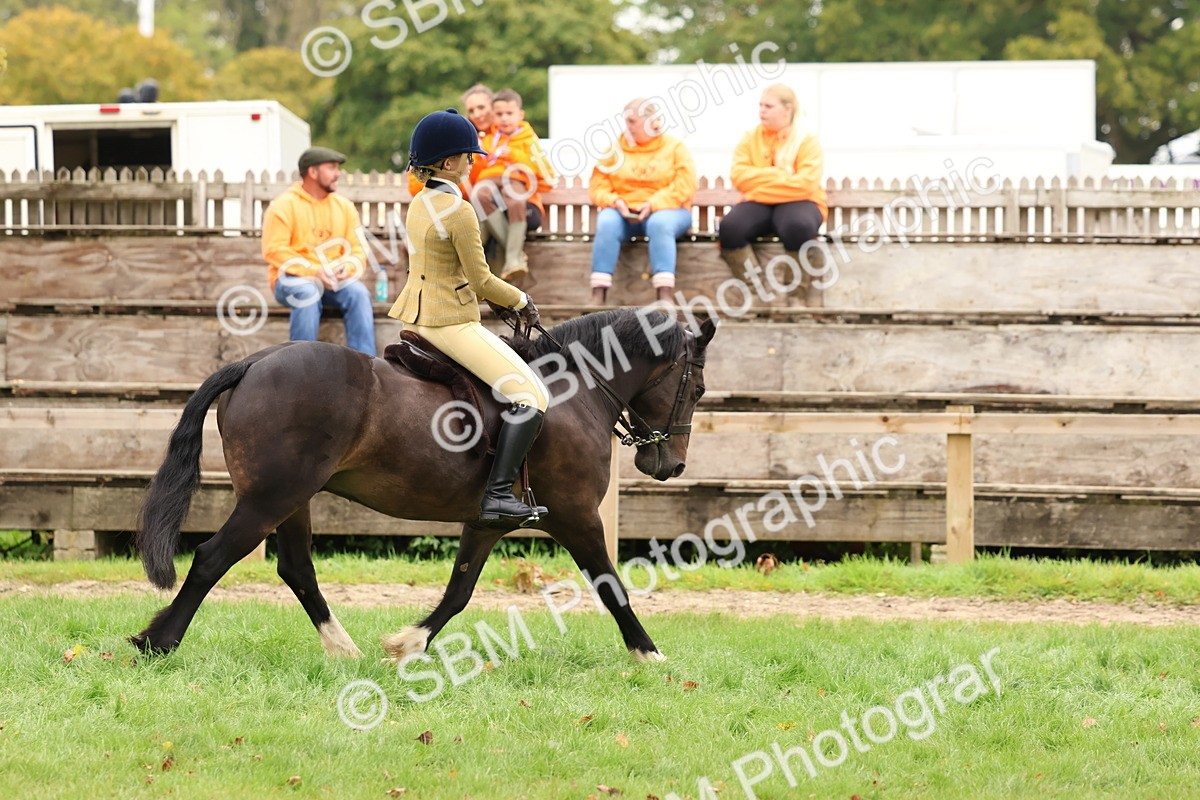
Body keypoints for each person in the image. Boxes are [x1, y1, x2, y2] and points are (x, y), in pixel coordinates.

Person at [389, 108, 551, 529]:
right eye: (466, 155)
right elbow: (480, 279)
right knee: (532, 397)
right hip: (450, 322)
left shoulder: (419, 202)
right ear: (447, 163)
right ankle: (497, 496)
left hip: (418, 314)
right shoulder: (459, 211)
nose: (473, 161)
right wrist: (519, 300)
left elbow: (446, 268)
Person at [718, 84, 828, 307]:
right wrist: (779, 174)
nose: (762, 111)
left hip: (800, 201)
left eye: (768, 106)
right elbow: (739, 177)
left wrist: (758, 186)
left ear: (787, 109)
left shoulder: (806, 140)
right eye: (760, 105)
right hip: (760, 203)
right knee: (730, 228)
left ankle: (795, 298)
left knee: (797, 226)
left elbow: (805, 184)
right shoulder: (750, 138)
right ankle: (757, 296)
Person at [262, 146, 377, 355]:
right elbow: (274, 250)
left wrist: (348, 267)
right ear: (313, 172)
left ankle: (366, 367)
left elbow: (358, 248)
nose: (338, 173)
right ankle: (299, 366)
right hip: (291, 279)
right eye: (332, 168)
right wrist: (315, 271)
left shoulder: (344, 206)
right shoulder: (283, 206)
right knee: (308, 292)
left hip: (333, 280)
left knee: (359, 293)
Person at [588, 98, 696, 305]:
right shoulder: (614, 149)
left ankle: (664, 296)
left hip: (668, 210)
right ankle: (598, 295)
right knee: (607, 222)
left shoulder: (675, 147)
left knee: (659, 223)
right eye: (626, 121)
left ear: (651, 121)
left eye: (632, 121)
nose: (627, 127)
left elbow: (685, 185)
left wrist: (653, 204)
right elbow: (598, 186)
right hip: (624, 212)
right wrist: (615, 201)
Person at [472, 88, 558, 282]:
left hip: (516, 178)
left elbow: (544, 170)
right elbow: (479, 166)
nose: (504, 119)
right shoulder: (488, 138)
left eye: (509, 114)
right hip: (491, 179)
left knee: (516, 200)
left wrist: (513, 155)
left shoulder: (528, 139)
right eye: (499, 114)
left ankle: (512, 259)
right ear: (493, 116)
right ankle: (516, 257)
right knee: (479, 194)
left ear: (520, 115)